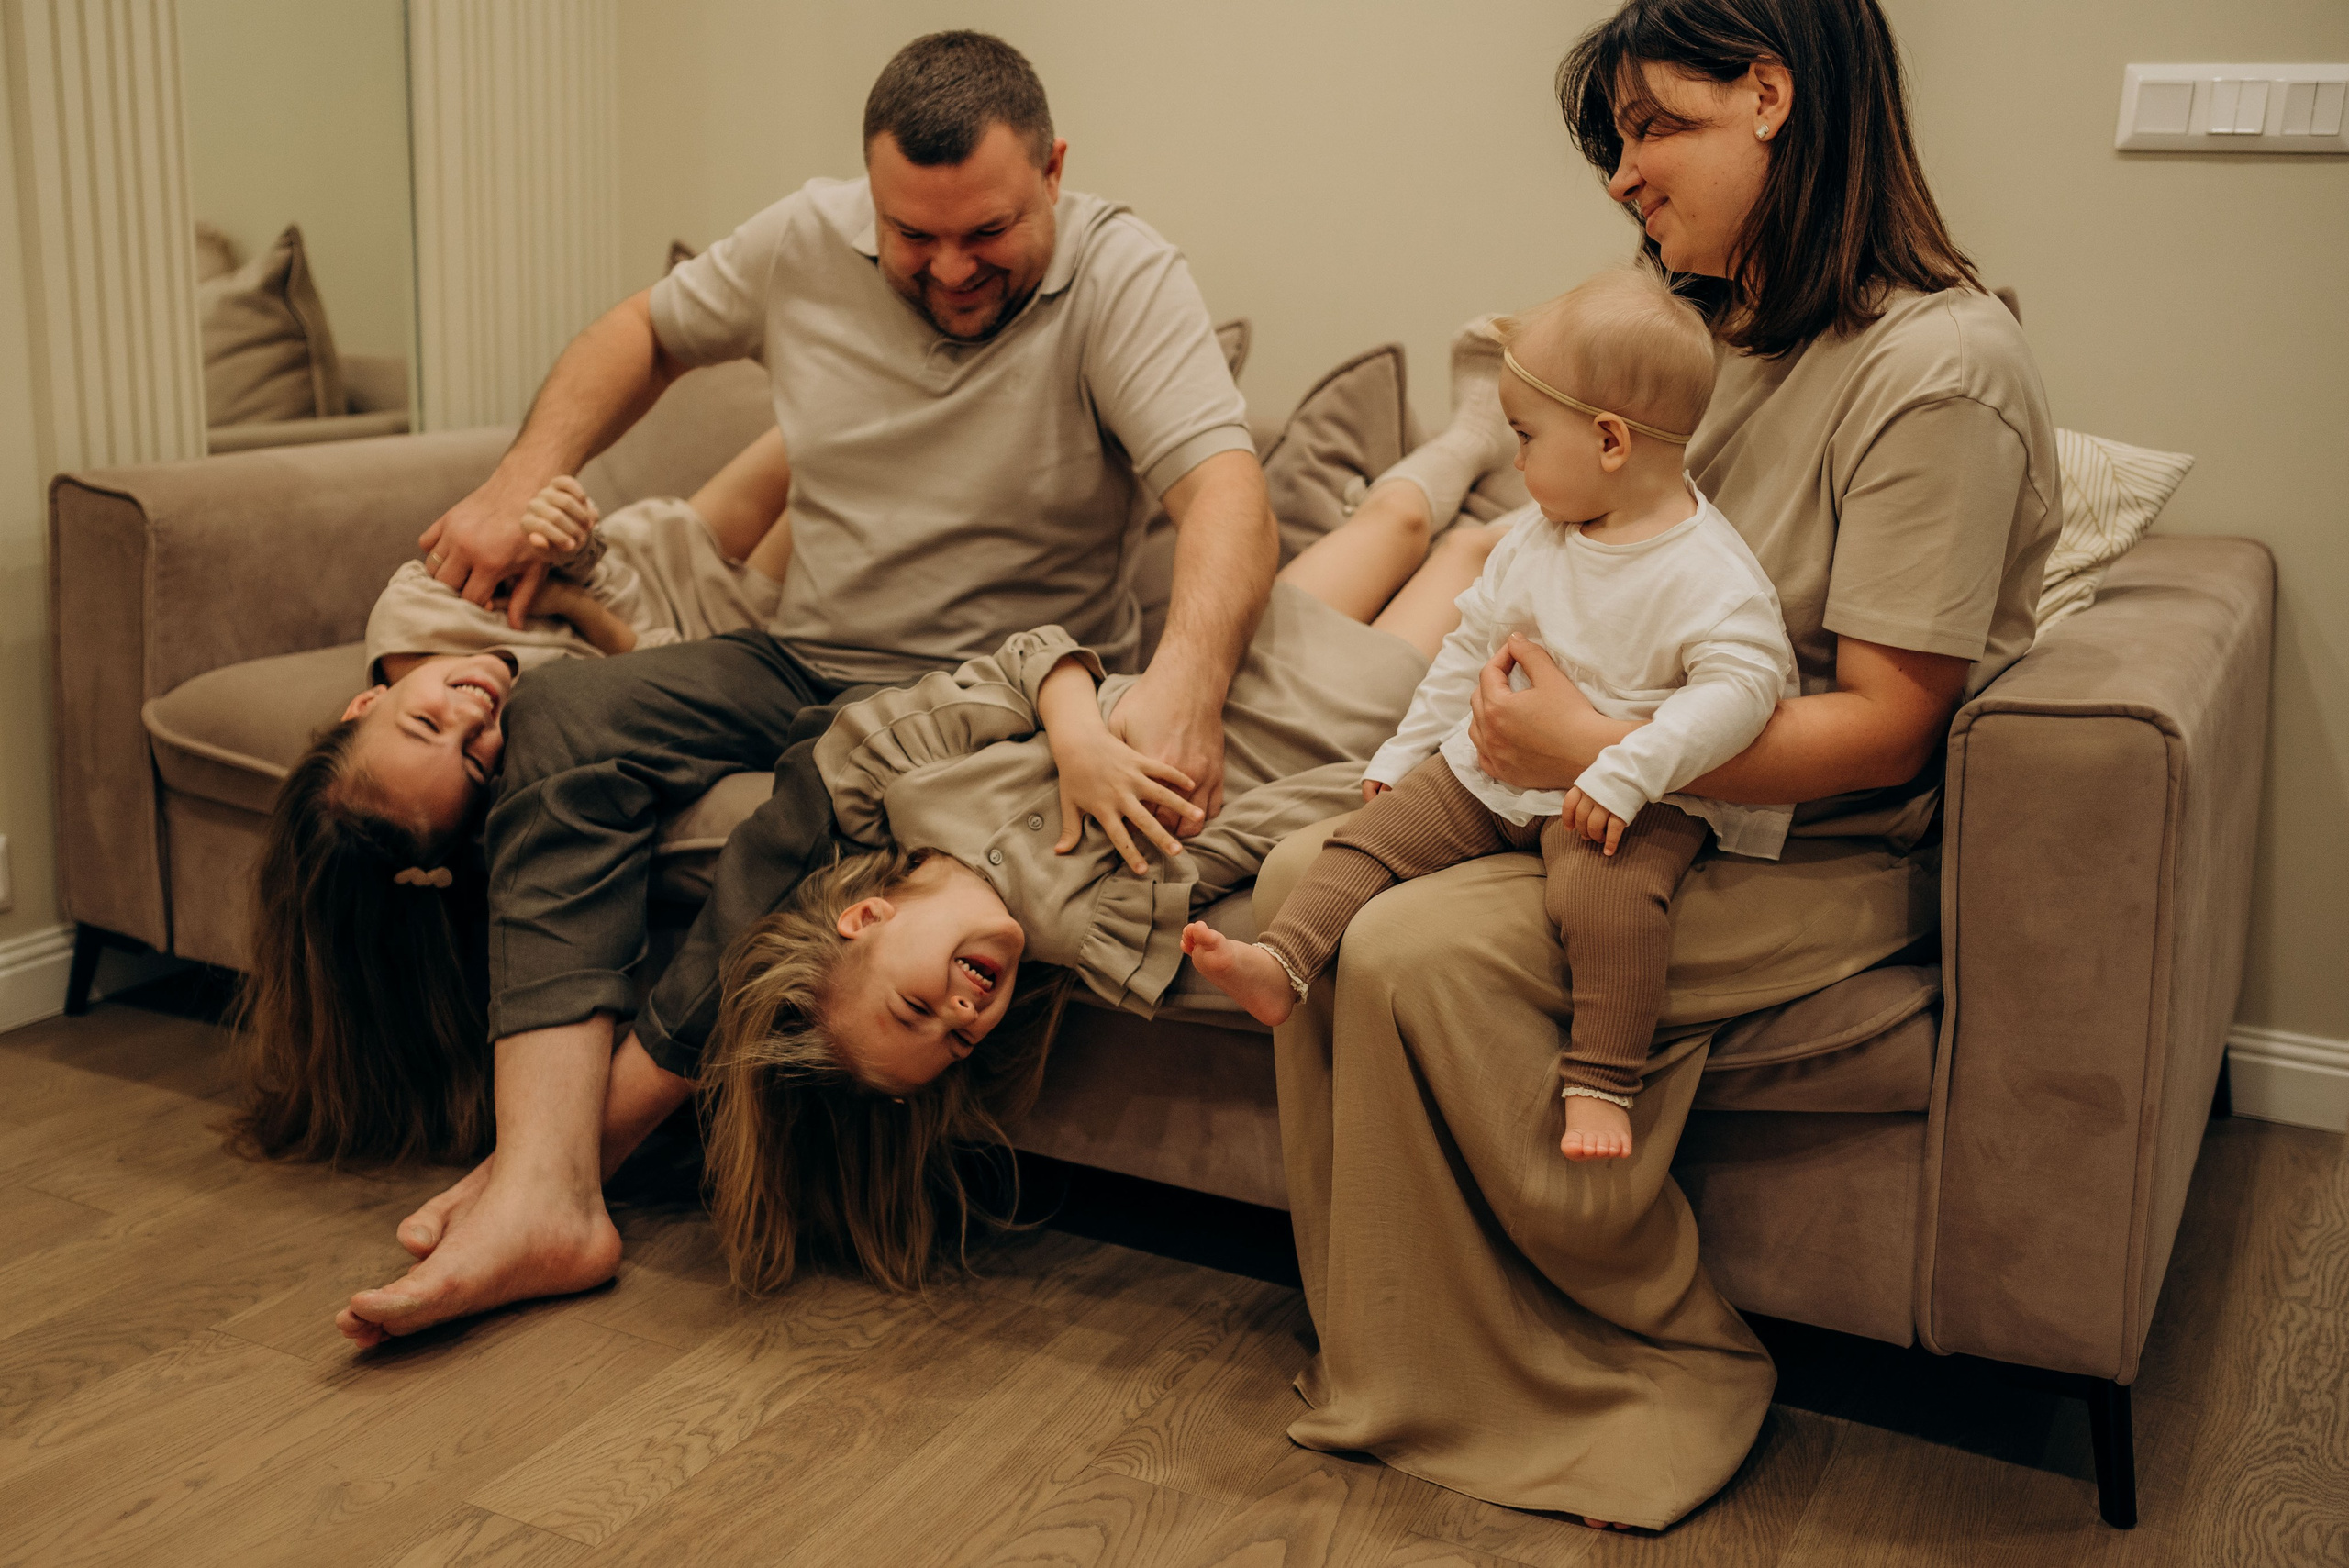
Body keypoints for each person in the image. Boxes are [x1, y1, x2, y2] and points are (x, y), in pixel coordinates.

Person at [329, 29, 1516, 1347]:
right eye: (914, 236)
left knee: (804, 813)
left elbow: (1222, 491)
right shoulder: (803, 239)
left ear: (1053, 170)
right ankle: (545, 1178)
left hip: (997, 692)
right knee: (562, 718)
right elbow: (641, 333)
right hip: (806, 652)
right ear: (868, 198)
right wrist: (515, 479)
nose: (951, 269)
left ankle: (558, 1178)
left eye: (988, 232)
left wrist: (1184, 684)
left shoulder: (1120, 273)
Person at [1259, 0, 2060, 1533]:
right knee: (1305, 873)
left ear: (1771, 95)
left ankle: (1603, 1365)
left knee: (1416, 951)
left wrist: (1598, 746)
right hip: (1611, 797)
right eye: (1615, 142)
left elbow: (1890, 722)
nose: (1623, 176)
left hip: (1802, 844)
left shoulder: (1939, 368)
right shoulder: (1695, 330)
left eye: (1653, 128)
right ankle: (1399, 1341)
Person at [1185, 269, 1798, 1165]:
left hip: (1626, 797)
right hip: (1496, 769)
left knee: (1609, 904)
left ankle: (1601, 1079)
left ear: (1610, 441)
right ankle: (1283, 961)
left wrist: (1625, 767)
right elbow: (1470, 645)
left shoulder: (1711, 575)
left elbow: (1743, 691)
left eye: (1524, 437)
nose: (1515, 463)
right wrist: (1404, 751)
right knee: (1368, 837)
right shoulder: (1537, 536)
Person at [234, 432, 795, 1165]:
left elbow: (544, 543)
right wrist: (573, 605)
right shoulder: (536, 745)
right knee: (852, 461)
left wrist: (561, 532)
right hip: (723, 630)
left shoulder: (415, 607)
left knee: (814, 425)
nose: (471, 716)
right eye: (472, 761)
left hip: (653, 554)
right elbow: (669, 672)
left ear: (366, 702)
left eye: (425, 721)